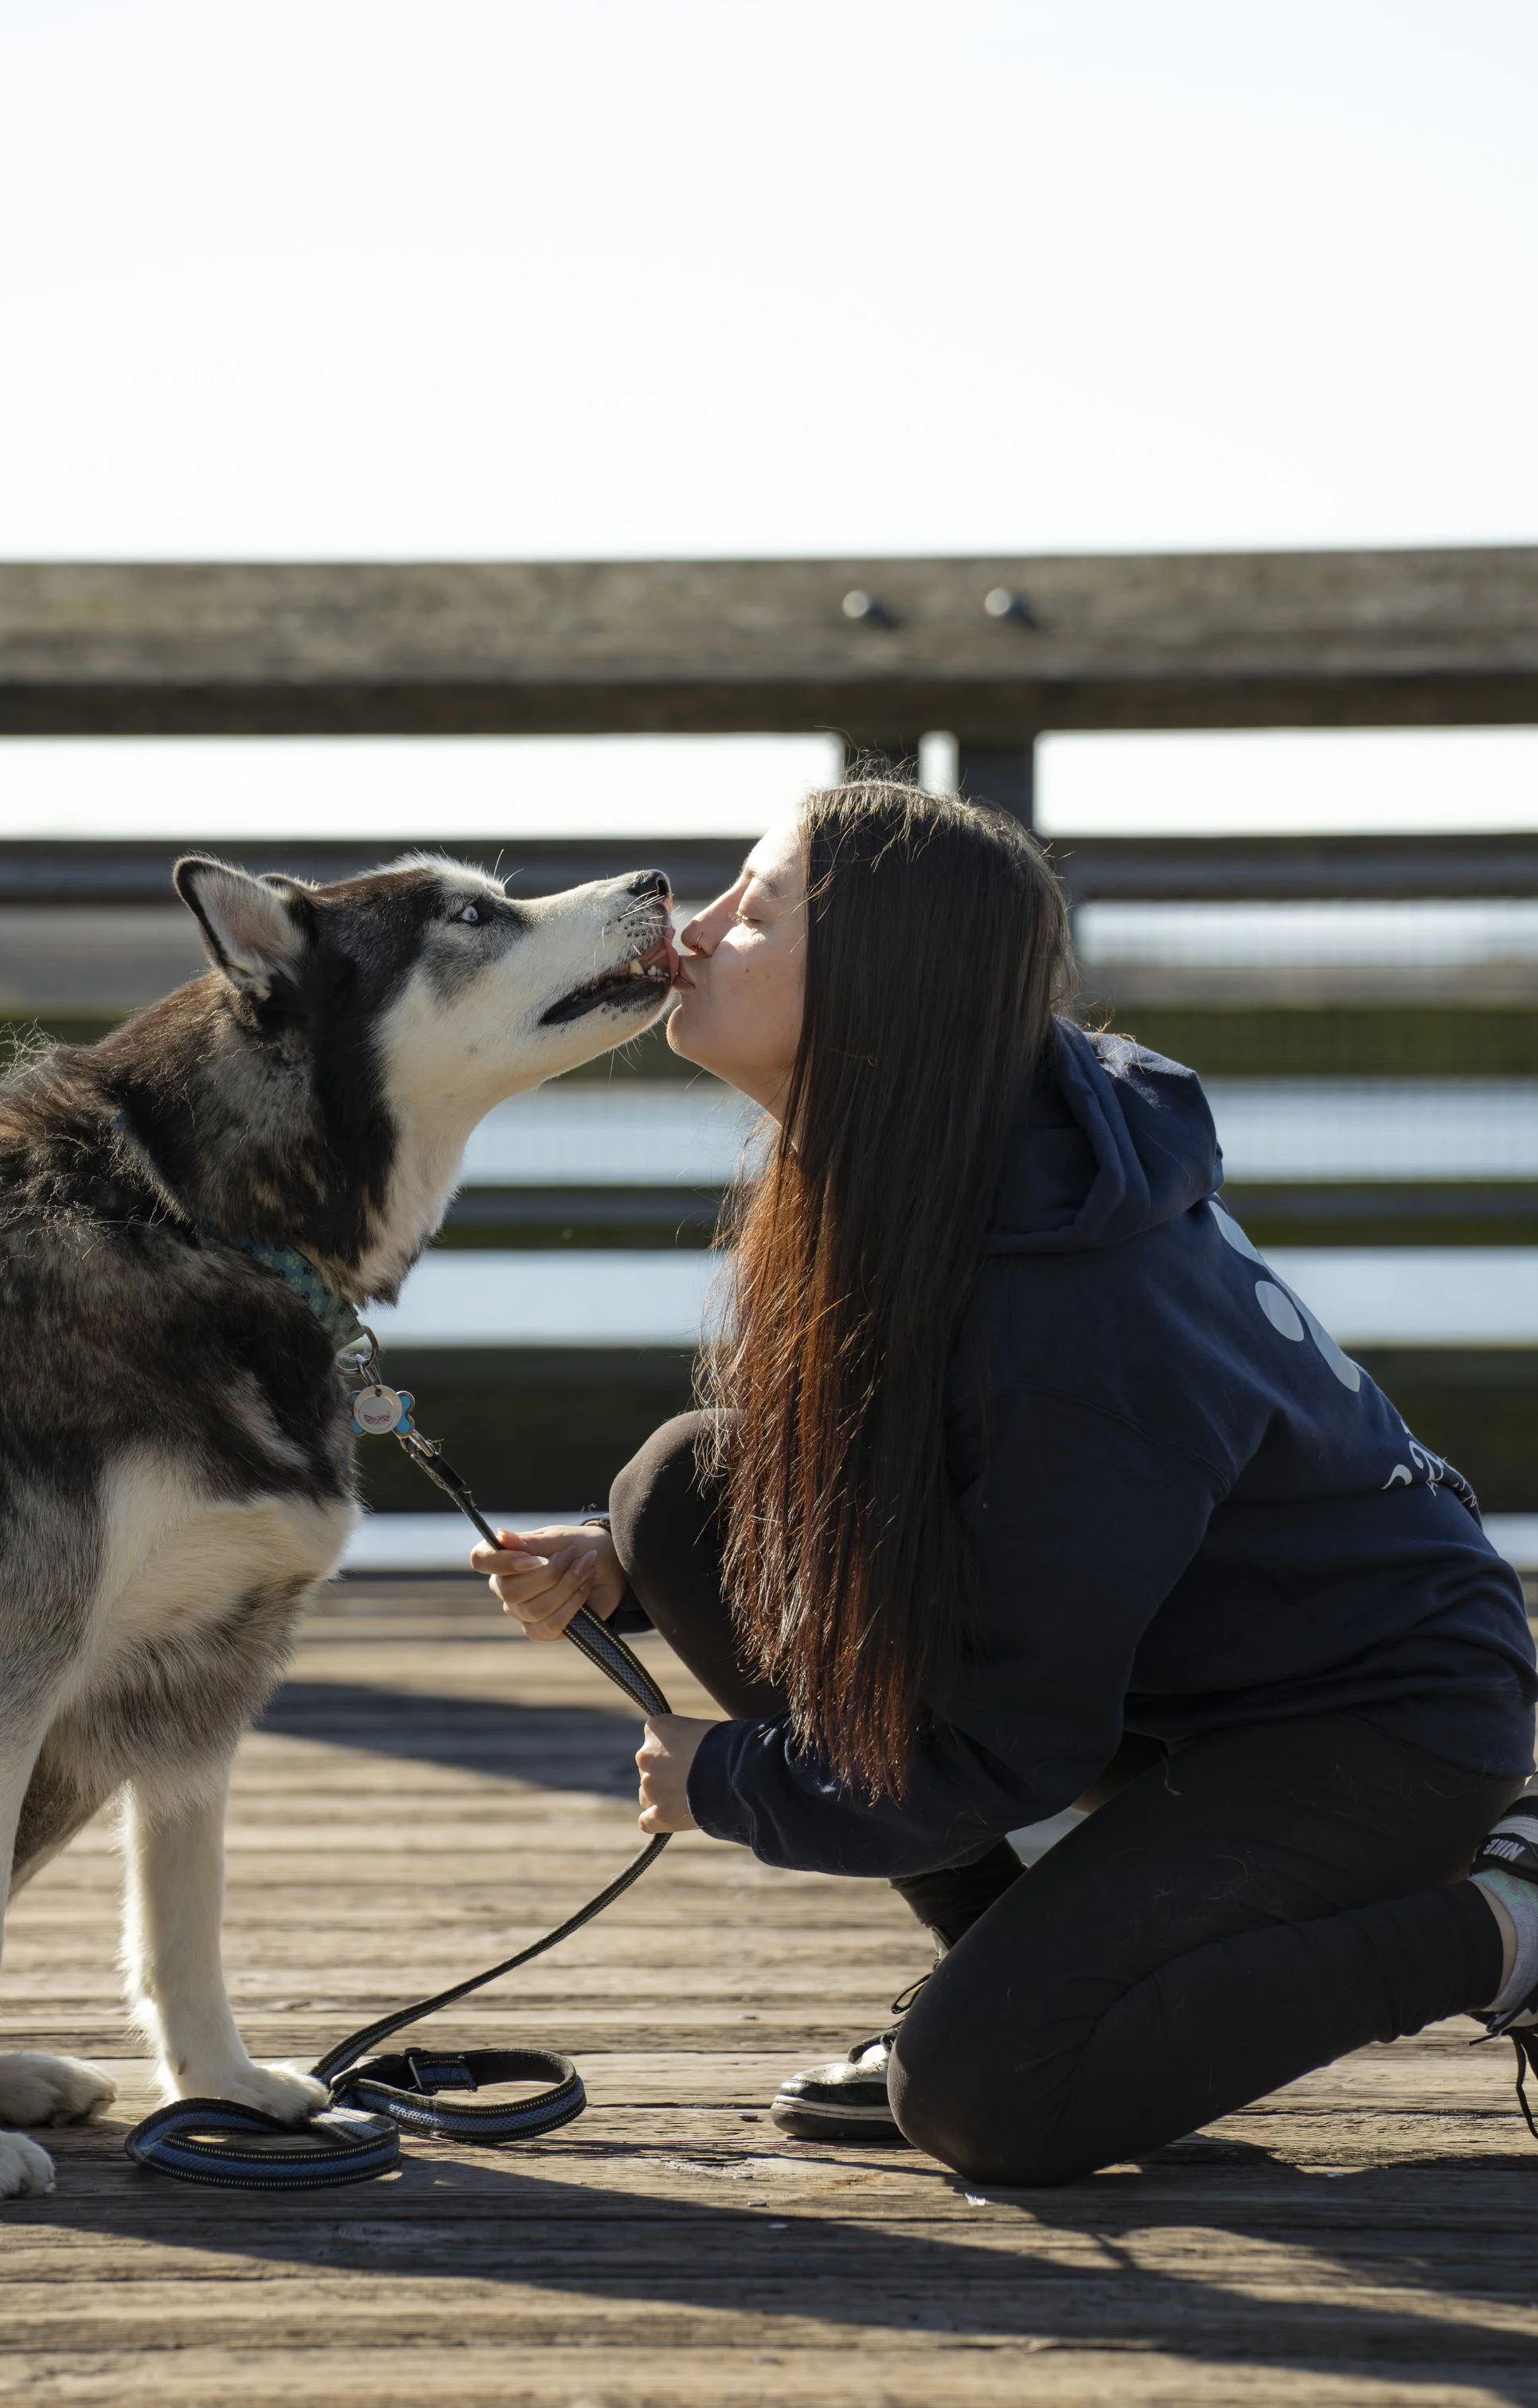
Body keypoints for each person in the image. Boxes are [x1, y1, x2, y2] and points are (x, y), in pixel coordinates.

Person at [473, 774, 1538, 2183]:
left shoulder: (1072, 1321)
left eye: (759, 911)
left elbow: (1007, 1746)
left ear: (891, 984)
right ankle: (1010, 1962)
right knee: (684, 1497)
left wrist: (730, 1780)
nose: (699, 925)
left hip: (1376, 1725)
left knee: (989, 2097)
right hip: (1159, 1673)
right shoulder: (945, 1149)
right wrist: (624, 1567)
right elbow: (896, 1467)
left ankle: (1506, 1927)